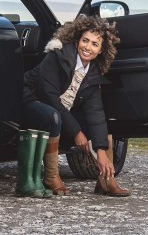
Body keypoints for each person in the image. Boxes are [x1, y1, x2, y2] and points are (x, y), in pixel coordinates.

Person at [22, 14, 130, 197]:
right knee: (53, 117)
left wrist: (101, 149)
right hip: (30, 103)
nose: (88, 47)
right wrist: (77, 132)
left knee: (101, 131)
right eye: (85, 40)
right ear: (77, 39)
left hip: (59, 112)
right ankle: (50, 176)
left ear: (101, 50)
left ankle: (106, 182)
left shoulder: (93, 73)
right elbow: (49, 98)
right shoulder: (58, 56)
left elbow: (95, 112)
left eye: (95, 44)